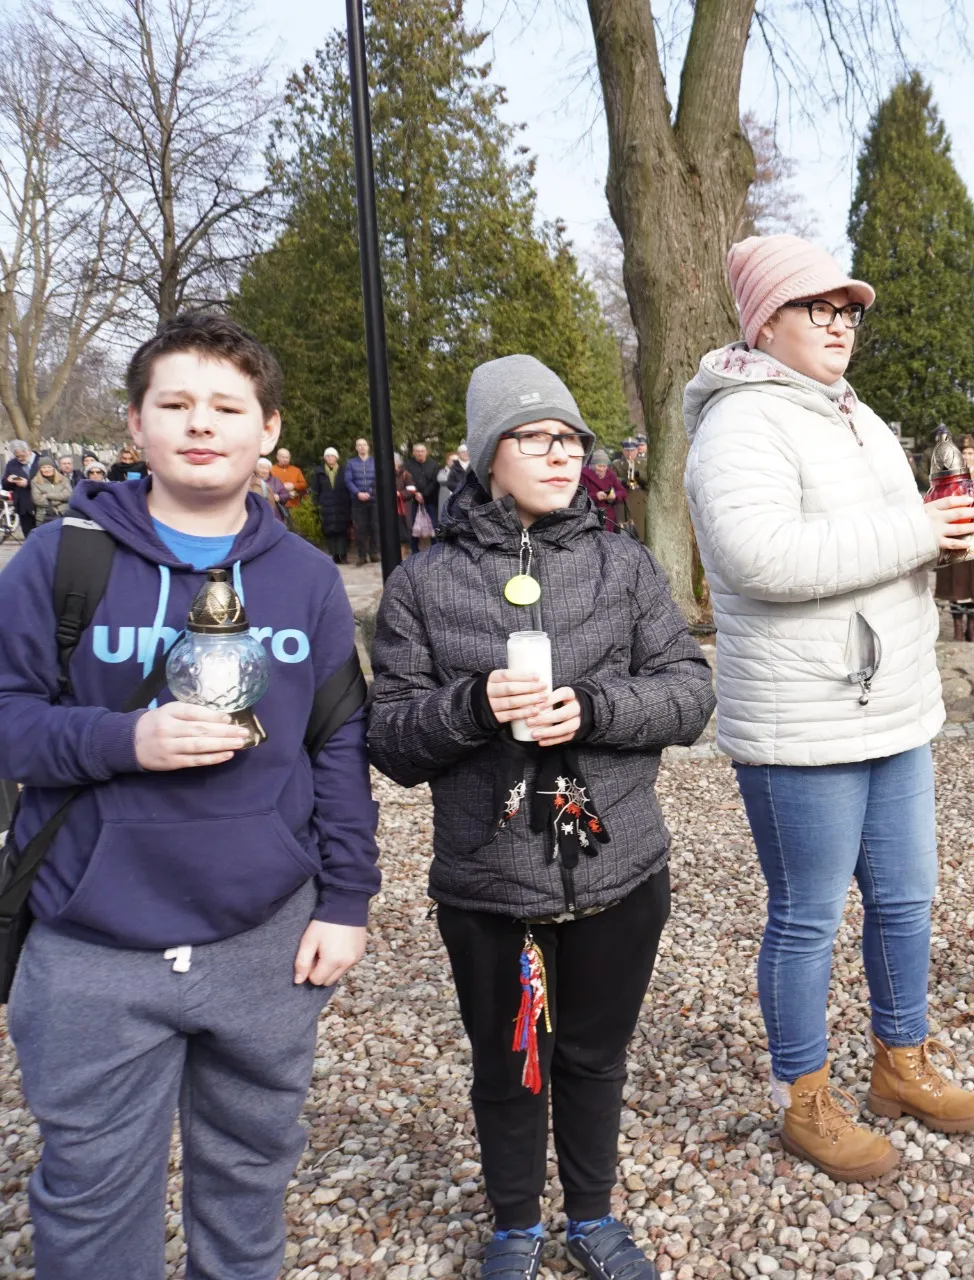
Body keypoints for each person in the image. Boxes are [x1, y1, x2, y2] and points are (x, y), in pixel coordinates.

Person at [0, 312, 379, 1278]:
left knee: (250, 1185)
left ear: (270, 432)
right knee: (89, 1200)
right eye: (174, 403)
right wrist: (123, 739)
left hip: (264, 940)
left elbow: (338, 745)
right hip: (93, 945)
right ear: (136, 427)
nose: (200, 424)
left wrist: (346, 899)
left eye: (226, 406)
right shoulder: (62, 561)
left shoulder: (303, 576)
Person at [368, 354, 713, 1280]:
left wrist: (596, 708)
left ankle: (594, 1217)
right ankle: (517, 1225)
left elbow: (688, 693)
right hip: (491, 884)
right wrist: (474, 706)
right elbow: (391, 740)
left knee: (596, 1057)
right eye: (534, 437)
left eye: (569, 439)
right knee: (512, 1066)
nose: (560, 455)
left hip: (619, 871)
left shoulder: (623, 564)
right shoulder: (424, 585)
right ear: (489, 456)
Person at [684, 234, 974, 1183]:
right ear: (763, 320)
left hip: (892, 705)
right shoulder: (739, 424)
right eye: (817, 308)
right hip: (802, 719)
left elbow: (883, 547)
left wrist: (942, 536)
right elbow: (761, 560)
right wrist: (916, 528)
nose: (840, 325)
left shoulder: (855, 416)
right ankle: (806, 1099)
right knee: (809, 915)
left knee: (906, 899)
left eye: (848, 310)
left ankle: (900, 1064)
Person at [933, 433, 974, 641]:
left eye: (970, 452)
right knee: (956, 584)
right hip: (954, 536)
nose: (967, 456)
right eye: (963, 453)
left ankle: (972, 627)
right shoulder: (945, 476)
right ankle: (957, 627)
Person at [310, 445, 353, 563]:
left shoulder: (344, 471)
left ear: (336, 458)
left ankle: (343, 555)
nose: (330, 458)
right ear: (324, 458)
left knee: (342, 530)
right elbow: (315, 490)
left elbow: (349, 486)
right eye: (327, 456)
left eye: (332, 456)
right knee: (329, 530)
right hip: (326, 505)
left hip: (342, 503)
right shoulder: (319, 472)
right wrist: (315, 504)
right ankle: (334, 555)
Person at [345, 436, 378, 563]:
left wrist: (369, 492)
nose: (362, 447)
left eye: (364, 444)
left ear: (368, 447)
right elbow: (348, 480)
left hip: (373, 499)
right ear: (356, 448)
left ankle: (374, 553)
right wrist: (358, 493)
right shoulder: (351, 463)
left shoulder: (374, 462)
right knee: (360, 528)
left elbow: (377, 479)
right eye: (359, 445)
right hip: (357, 500)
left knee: (375, 527)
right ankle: (362, 555)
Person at [402, 440, 440, 552]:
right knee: (413, 526)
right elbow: (407, 481)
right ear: (413, 452)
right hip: (413, 500)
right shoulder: (407, 464)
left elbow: (435, 482)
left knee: (434, 525)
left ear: (426, 452)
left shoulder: (433, 464)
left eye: (422, 451)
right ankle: (414, 551)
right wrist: (416, 494)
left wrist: (424, 495)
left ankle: (435, 550)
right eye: (417, 451)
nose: (420, 453)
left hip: (430, 500)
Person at [582, 447, 628, 533]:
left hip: (609, 516)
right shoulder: (584, 475)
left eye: (605, 466)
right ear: (592, 465)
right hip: (590, 513)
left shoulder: (611, 475)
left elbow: (623, 492)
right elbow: (579, 495)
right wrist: (595, 496)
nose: (602, 469)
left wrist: (614, 496)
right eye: (599, 466)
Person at [614, 436, 647, 538]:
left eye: (632, 450)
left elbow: (649, 480)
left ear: (637, 450)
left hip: (640, 503)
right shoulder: (617, 464)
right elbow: (612, 479)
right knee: (624, 535)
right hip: (623, 503)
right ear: (623, 451)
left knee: (640, 534)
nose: (630, 453)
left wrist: (637, 473)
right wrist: (623, 481)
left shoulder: (644, 463)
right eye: (627, 451)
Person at [6, 440, 37, 537]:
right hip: (23, 507)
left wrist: (27, 484)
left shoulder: (41, 461)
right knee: (29, 538)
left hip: (41, 506)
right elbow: (5, 485)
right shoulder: (12, 464)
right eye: (17, 456)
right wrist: (9, 480)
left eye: (21, 455)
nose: (19, 458)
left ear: (28, 451)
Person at [30, 458, 70, 524]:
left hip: (64, 514)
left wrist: (47, 496)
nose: (47, 470)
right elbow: (38, 500)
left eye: (49, 467)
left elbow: (68, 495)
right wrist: (60, 500)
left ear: (53, 468)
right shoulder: (35, 482)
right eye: (44, 467)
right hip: (44, 516)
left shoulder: (63, 479)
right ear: (40, 469)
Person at [252, 455, 291, 523]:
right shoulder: (252, 481)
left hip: (275, 515)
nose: (264, 470)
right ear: (256, 469)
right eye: (261, 468)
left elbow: (286, 494)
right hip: (256, 514)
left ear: (269, 470)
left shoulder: (275, 480)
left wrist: (279, 497)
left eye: (266, 468)